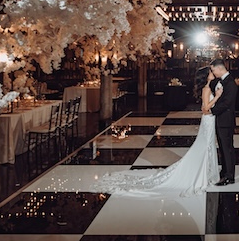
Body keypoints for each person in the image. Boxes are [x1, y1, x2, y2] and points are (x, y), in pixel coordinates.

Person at [91, 66, 221, 196]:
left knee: (208, 145)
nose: (213, 73)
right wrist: (217, 97)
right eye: (210, 72)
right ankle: (203, 173)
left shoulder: (210, 87)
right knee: (205, 145)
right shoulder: (206, 89)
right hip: (208, 120)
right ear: (206, 76)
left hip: (210, 120)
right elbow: (205, 109)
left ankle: (207, 172)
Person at [204, 58, 238, 186]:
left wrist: (212, 111)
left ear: (219, 68)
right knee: (223, 148)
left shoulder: (230, 83)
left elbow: (227, 103)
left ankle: (229, 176)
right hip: (221, 120)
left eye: (213, 70)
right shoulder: (221, 81)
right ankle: (225, 172)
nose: (213, 73)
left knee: (227, 148)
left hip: (226, 121)